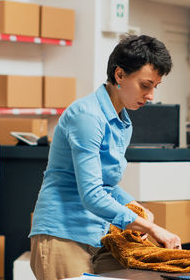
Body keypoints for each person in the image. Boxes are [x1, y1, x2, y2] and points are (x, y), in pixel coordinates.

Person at [29, 35, 182, 280]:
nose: (151, 95)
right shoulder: (87, 117)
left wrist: (137, 208)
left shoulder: (123, 122)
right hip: (63, 234)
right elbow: (91, 194)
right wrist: (150, 227)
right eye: (145, 85)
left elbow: (106, 186)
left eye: (155, 86)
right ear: (119, 75)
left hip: (98, 235)